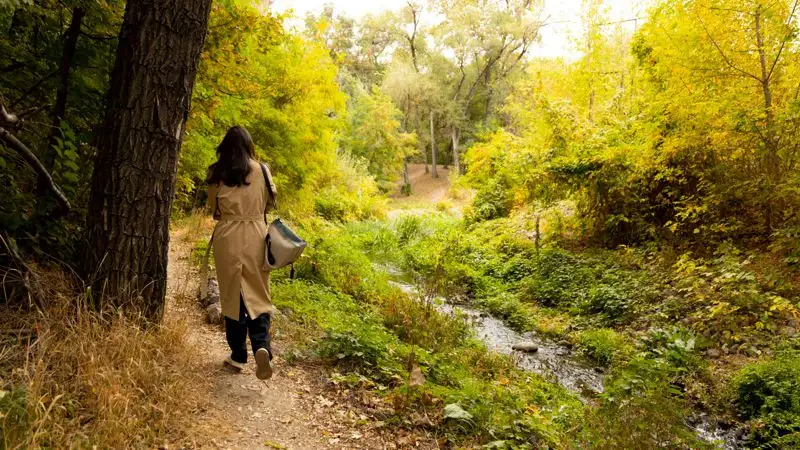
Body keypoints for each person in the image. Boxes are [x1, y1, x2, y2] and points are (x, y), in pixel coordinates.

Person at [206, 126, 276, 380]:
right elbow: (271, 202)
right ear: (249, 146)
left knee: (232, 295)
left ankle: (238, 355)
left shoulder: (216, 173)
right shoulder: (263, 170)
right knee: (258, 292)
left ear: (224, 147)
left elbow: (213, 210)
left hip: (228, 237)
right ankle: (261, 346)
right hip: (256, 234)